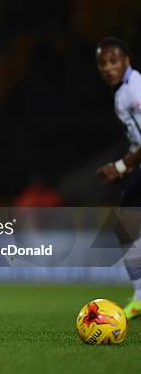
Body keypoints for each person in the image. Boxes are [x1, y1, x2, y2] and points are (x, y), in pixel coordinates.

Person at [95, 36, 141, 319]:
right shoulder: (122, 92)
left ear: (127, 61)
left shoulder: (135, 90)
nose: (108, 67)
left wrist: (123, 167)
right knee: (127, 225)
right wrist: (124, 164)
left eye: (113, 61)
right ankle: (139, 296)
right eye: (102, 63)